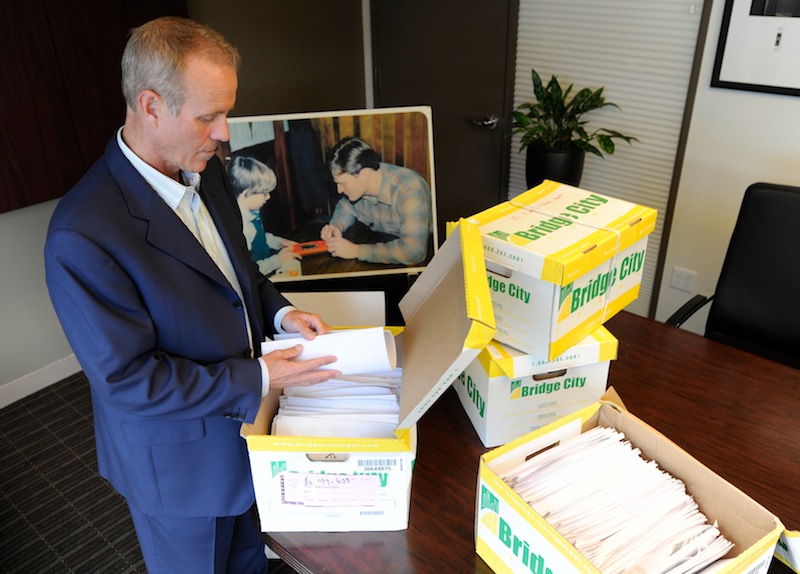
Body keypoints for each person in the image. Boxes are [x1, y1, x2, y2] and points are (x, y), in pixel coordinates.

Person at [43, 17, 340, 574]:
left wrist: (282, 314)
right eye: (208, 117)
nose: (225, 133)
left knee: (251, 562)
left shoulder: (209, 170)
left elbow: (240, 278)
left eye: (226, 113)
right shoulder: (83, 233)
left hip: (248, 437)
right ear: (151, 106)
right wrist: (261, 377)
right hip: (180, 470)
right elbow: (130, 381)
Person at [320, 137, 432, 265]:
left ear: (365, 175)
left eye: (343, 184)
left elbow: (414, 251)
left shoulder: (410, 188)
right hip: (385, 247)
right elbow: (345, 207)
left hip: (426, 256)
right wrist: (337, 226)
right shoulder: (359, 184)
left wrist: (356, 251)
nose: (339, 190)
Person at [227, 155, 300, 276]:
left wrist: (278, 242)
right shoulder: (242, 227)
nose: (268, 197)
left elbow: (259, 238)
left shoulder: (252, 211)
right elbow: (247, 273)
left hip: (267, 267)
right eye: (264, 193)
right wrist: (278, 260)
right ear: (246, 194)